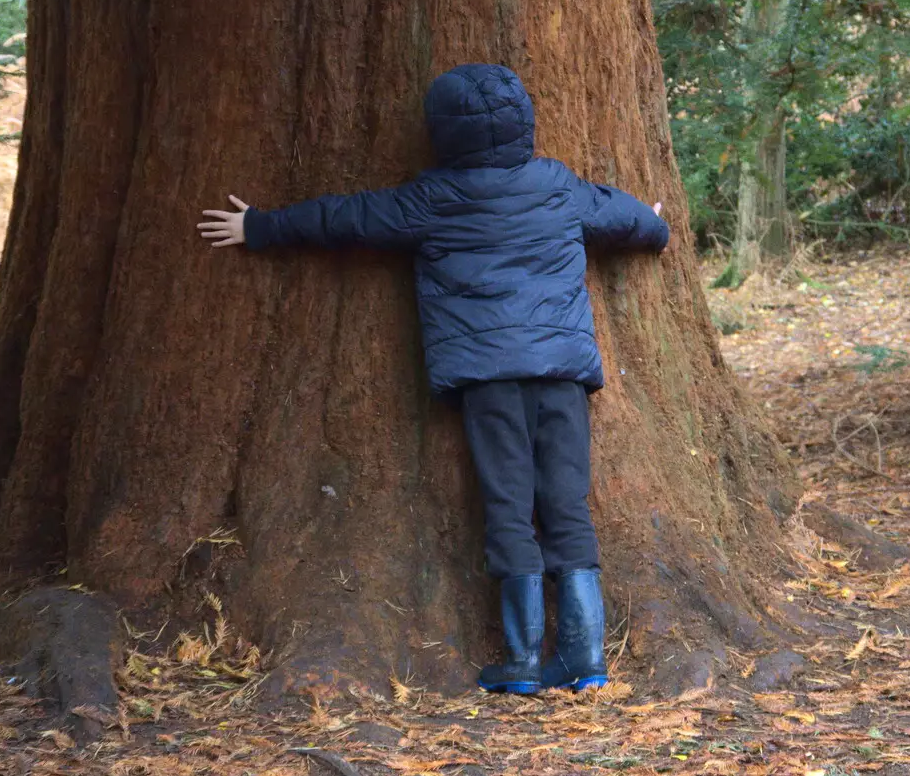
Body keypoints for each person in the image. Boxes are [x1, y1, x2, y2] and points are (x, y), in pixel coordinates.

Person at [199, 63, 668, 694]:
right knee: (565, 504)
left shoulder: (430, 199)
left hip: (489, 381)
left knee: (508, 506)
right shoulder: (557, 186)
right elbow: (624, 215)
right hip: (560, 375)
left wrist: (259, 226)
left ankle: (525, 661)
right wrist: (657, 224)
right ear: (524, 123)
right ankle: (586, 661)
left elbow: (347, 218)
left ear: (442, 133)